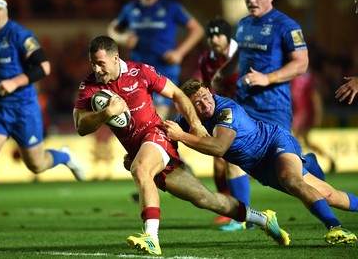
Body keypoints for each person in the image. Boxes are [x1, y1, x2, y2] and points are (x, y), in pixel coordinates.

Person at [73, 35, 290, 255]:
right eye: (93, 64)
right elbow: (81, 126)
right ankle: (263, 218)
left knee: (140, 169)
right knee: (206, 199)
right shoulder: (89, 87)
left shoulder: (141, 72)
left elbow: (177, 94)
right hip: (142, 150)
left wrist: (195, 124)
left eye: (101, 63)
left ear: (115, 58)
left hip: (157, 136)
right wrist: (107, 112)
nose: (97, 69)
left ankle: (151, 237)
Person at [163, 79, 358, 245]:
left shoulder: (226, 109)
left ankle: (336, 228)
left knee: (290, 179)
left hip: (273, 143)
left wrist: (181, 137)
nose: (205, 104)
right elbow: (164, 133)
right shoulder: (186, 120)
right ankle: (309, 164)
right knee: (329, 196)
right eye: (197, 103)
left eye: (205, 97)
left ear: (209, 92)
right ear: (187, 107)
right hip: (259, 167)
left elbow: (219, 147)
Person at [0, 0, 85, 233]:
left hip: (23, 109)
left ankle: (65, 157)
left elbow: (44, 67)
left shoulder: (20, 36)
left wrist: (15, 82)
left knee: (36, 165)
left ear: (5, 10)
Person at [214, 0, 325, 231]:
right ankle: (244, 217)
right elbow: (240, 53)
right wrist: (224, 70)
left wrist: (267, 78)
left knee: (287, 175)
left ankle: (310, 166)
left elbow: (301, 63)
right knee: (231, 155)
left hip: (273, 108)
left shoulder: (287, 26)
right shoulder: (243, 24)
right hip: (244, 104)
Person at [107, 0, 204, 120]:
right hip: (137, 71)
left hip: (163, 69)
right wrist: (122, 38)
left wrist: (180, 53)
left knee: (157, 116)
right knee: (138, 116)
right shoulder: (130, 9)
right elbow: (112, 29)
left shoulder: (171, 7)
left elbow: (197, 30)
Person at [193, 17, 242, 224]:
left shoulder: (243, 55)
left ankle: (241, 214)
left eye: (217, 35)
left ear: (227, 36)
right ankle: (229, 208)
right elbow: (207, 90)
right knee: (220, 163)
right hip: (224, 115)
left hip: (249, 112)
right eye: (210, 35)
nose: (213, 39)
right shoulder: (206, 59)